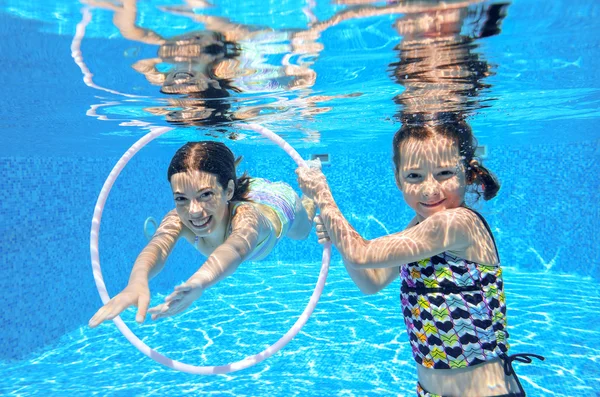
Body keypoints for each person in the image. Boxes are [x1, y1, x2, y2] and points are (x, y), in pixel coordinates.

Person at [296, 117, 544, 397]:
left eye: (445, 173)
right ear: (398, 178)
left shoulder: (458, 223)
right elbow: (371, 282)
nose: (429, 189)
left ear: (468, 173)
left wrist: (322, 195)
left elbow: (361, 252)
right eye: (414, 176)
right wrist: (338, 235)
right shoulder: (418, 227)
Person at [90, 140, 315, 327]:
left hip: (278, 202)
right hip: (238, 190)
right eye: (181, 198)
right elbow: (157, 245)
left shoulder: (247, 218)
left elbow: (235, 248)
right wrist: (137, 280)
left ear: (228, 191)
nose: (194, 211)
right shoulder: (179, 217)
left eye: (205, 195)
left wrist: (199, 282)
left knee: (302, 233)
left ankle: (311, 191)